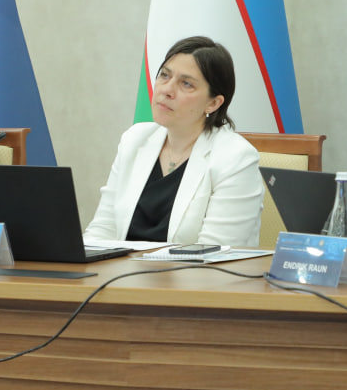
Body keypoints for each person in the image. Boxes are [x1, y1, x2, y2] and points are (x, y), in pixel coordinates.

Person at [84, 36, 264, 249]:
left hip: (193, 271)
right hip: (122, 270)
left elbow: (215, 252)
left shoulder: (235, 158)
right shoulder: (135, 140)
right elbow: (103, 230)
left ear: (213, 103)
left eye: (186, 84)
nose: (166, 90)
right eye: (164, 75)